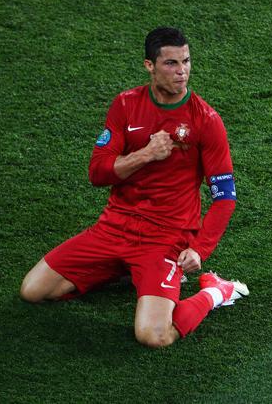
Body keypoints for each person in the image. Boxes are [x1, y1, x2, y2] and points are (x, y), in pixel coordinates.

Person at [20, 27, 248, 347]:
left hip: (165, 237)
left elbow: (225, 197)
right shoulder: (126, 105)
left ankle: (215, 292)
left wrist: (199, 249)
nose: (181, 71)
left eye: (186, 61)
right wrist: (146, 154)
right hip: (113, 228)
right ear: (149, 66)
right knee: (33, 291)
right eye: (170, 63)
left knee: (154, 335)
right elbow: (97, 173)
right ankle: (125, 270)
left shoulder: (205, 120)